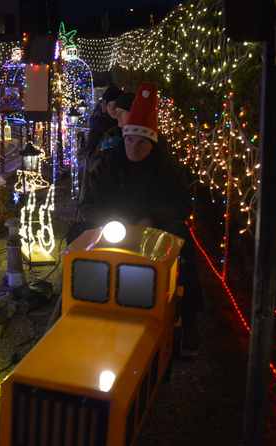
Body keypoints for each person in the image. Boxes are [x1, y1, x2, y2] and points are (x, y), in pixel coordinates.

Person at [79, 83, 202, 355]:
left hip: (154, 232)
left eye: (142, 142)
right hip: (113, 228)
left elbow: (181, 205)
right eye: (130, 140)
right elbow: (89, 203)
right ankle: (73, 310)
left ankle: (188, 323)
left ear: (152, 143)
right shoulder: (109, 163)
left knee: (187, 260)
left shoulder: (167, 168)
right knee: (78, 249)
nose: (134, 147)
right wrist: (107, 220)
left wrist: (152, 219)